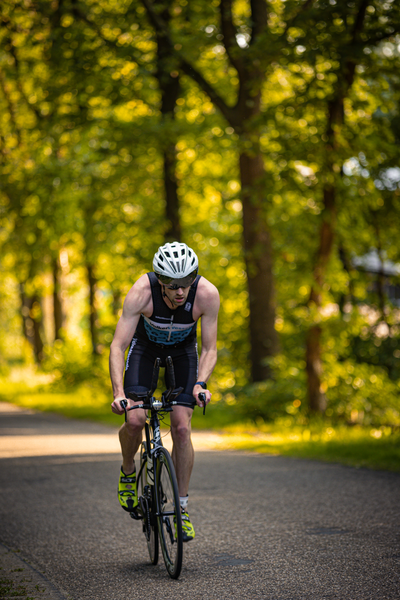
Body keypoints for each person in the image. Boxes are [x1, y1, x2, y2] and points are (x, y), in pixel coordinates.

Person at [110, 241, 220, 541]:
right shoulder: (141, 292)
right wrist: (119, 392)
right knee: (134, 421)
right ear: (160, 281)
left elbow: (210, 348)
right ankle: (128, 469)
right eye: (173, 286)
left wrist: (201, 383)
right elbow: (118, 346)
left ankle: (182, 509)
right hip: (145, 350)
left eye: (187, 282)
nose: (181, 291)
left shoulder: (207, 294)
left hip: (183, 354)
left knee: (182, 428)